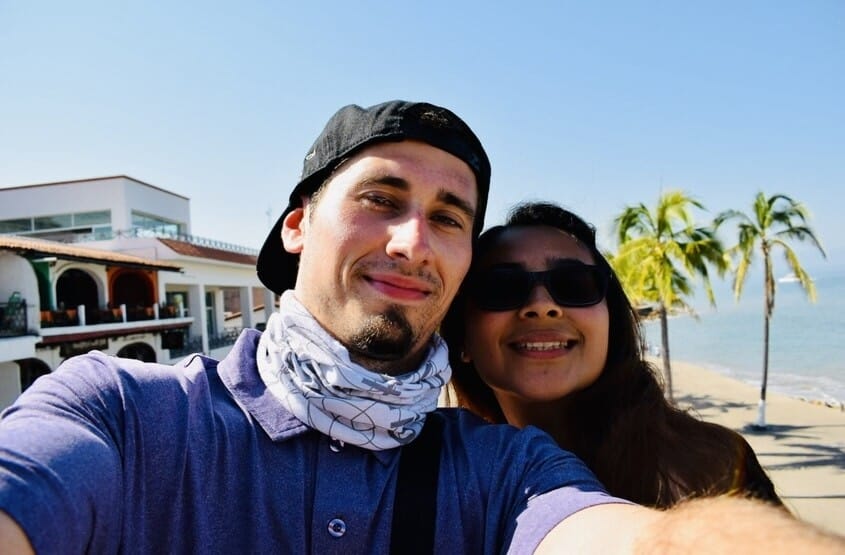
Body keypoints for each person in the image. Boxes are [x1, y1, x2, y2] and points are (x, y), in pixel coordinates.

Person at [0, 101, 842, 554]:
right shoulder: (119, 412)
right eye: (378, 198)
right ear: (297, 225)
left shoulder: (501, 469)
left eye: (448, 217)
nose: (412, 240)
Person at [440, 201, 782, 508]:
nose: (542, 306)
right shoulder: (447, 483)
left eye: (575, 284)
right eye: (501, 288)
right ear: (462, 340)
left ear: (611, 321)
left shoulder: (710, 468)